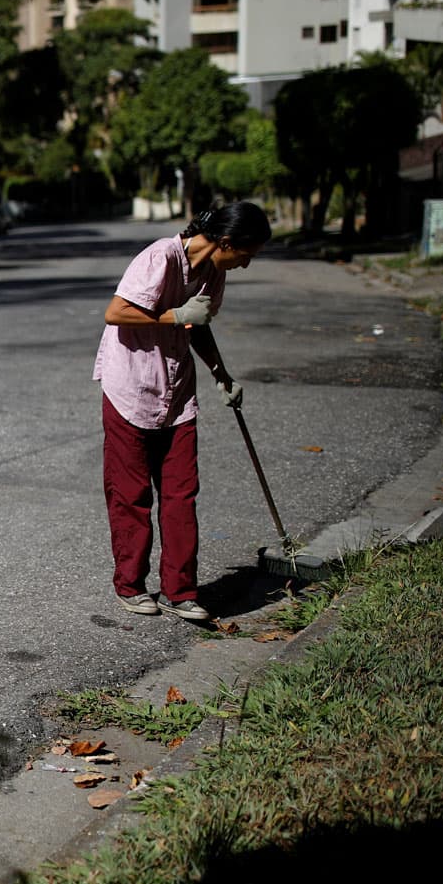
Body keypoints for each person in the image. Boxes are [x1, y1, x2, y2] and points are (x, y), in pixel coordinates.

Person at [95, 200, 271, 621]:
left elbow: (197, 326)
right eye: (244, 256)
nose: (245, 265)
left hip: (175, 392)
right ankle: (131, 586)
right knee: (131, 495)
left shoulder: (213, 272)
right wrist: (174, 315)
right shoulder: (159, 257)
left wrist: (221, 373)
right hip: (130, 388)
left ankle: (181, 591)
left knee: (181, 493)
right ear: (225, 242)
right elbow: (116, 312)